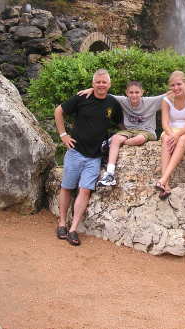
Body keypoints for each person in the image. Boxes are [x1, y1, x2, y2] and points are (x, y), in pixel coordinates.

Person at [54, 69, 123, 246]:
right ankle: (61, 223)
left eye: (104, 82)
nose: (101, 85)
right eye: (98, 82)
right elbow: (58, 111)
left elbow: (119, 123)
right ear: (93, 84)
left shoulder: (113, 103)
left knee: (85, 190)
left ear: (109, 84)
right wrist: (63, 135)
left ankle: (73, 229)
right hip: (75, 152)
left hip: (94, 156)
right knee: (67, 187)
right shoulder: (81, 98)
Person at [77, 81, 165, 187]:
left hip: (147, 131)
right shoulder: (122, 101)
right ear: (126, 93)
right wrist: (92, 89)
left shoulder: (151, 102)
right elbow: (105, 95)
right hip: (129, 130)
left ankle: (111, 143)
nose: (134, 95)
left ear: (142, 92)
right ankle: (110, 174)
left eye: (137, 92)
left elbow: (171, 94)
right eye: (131, 92)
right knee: (116, 139)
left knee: (138, 140)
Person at [155, 71, 185, 199]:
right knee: (166, 139)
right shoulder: (166, 100)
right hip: (171, 129)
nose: (176, 88)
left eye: (179, 84)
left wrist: (177, 135)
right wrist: (171, 135)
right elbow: (165, 123)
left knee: (182, 140)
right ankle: (166, 185)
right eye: (173, 85)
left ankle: (163, 179)